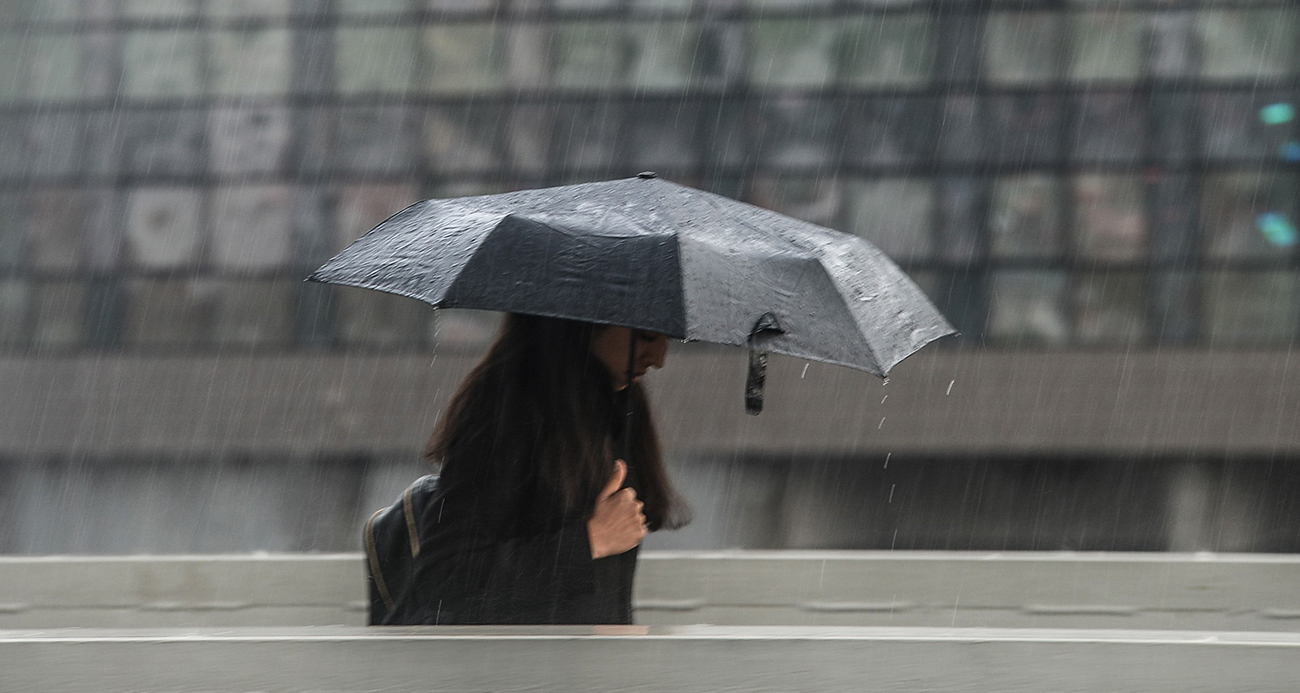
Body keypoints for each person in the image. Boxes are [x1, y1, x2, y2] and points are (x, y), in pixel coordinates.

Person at [378, 313, 690, 625]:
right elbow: (445, 577)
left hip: (588, 666)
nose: (658, 359)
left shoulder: (618, 404)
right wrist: (590, 541)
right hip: (520, 669)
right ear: (586, 322)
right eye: (647, 336)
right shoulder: (506, 408)